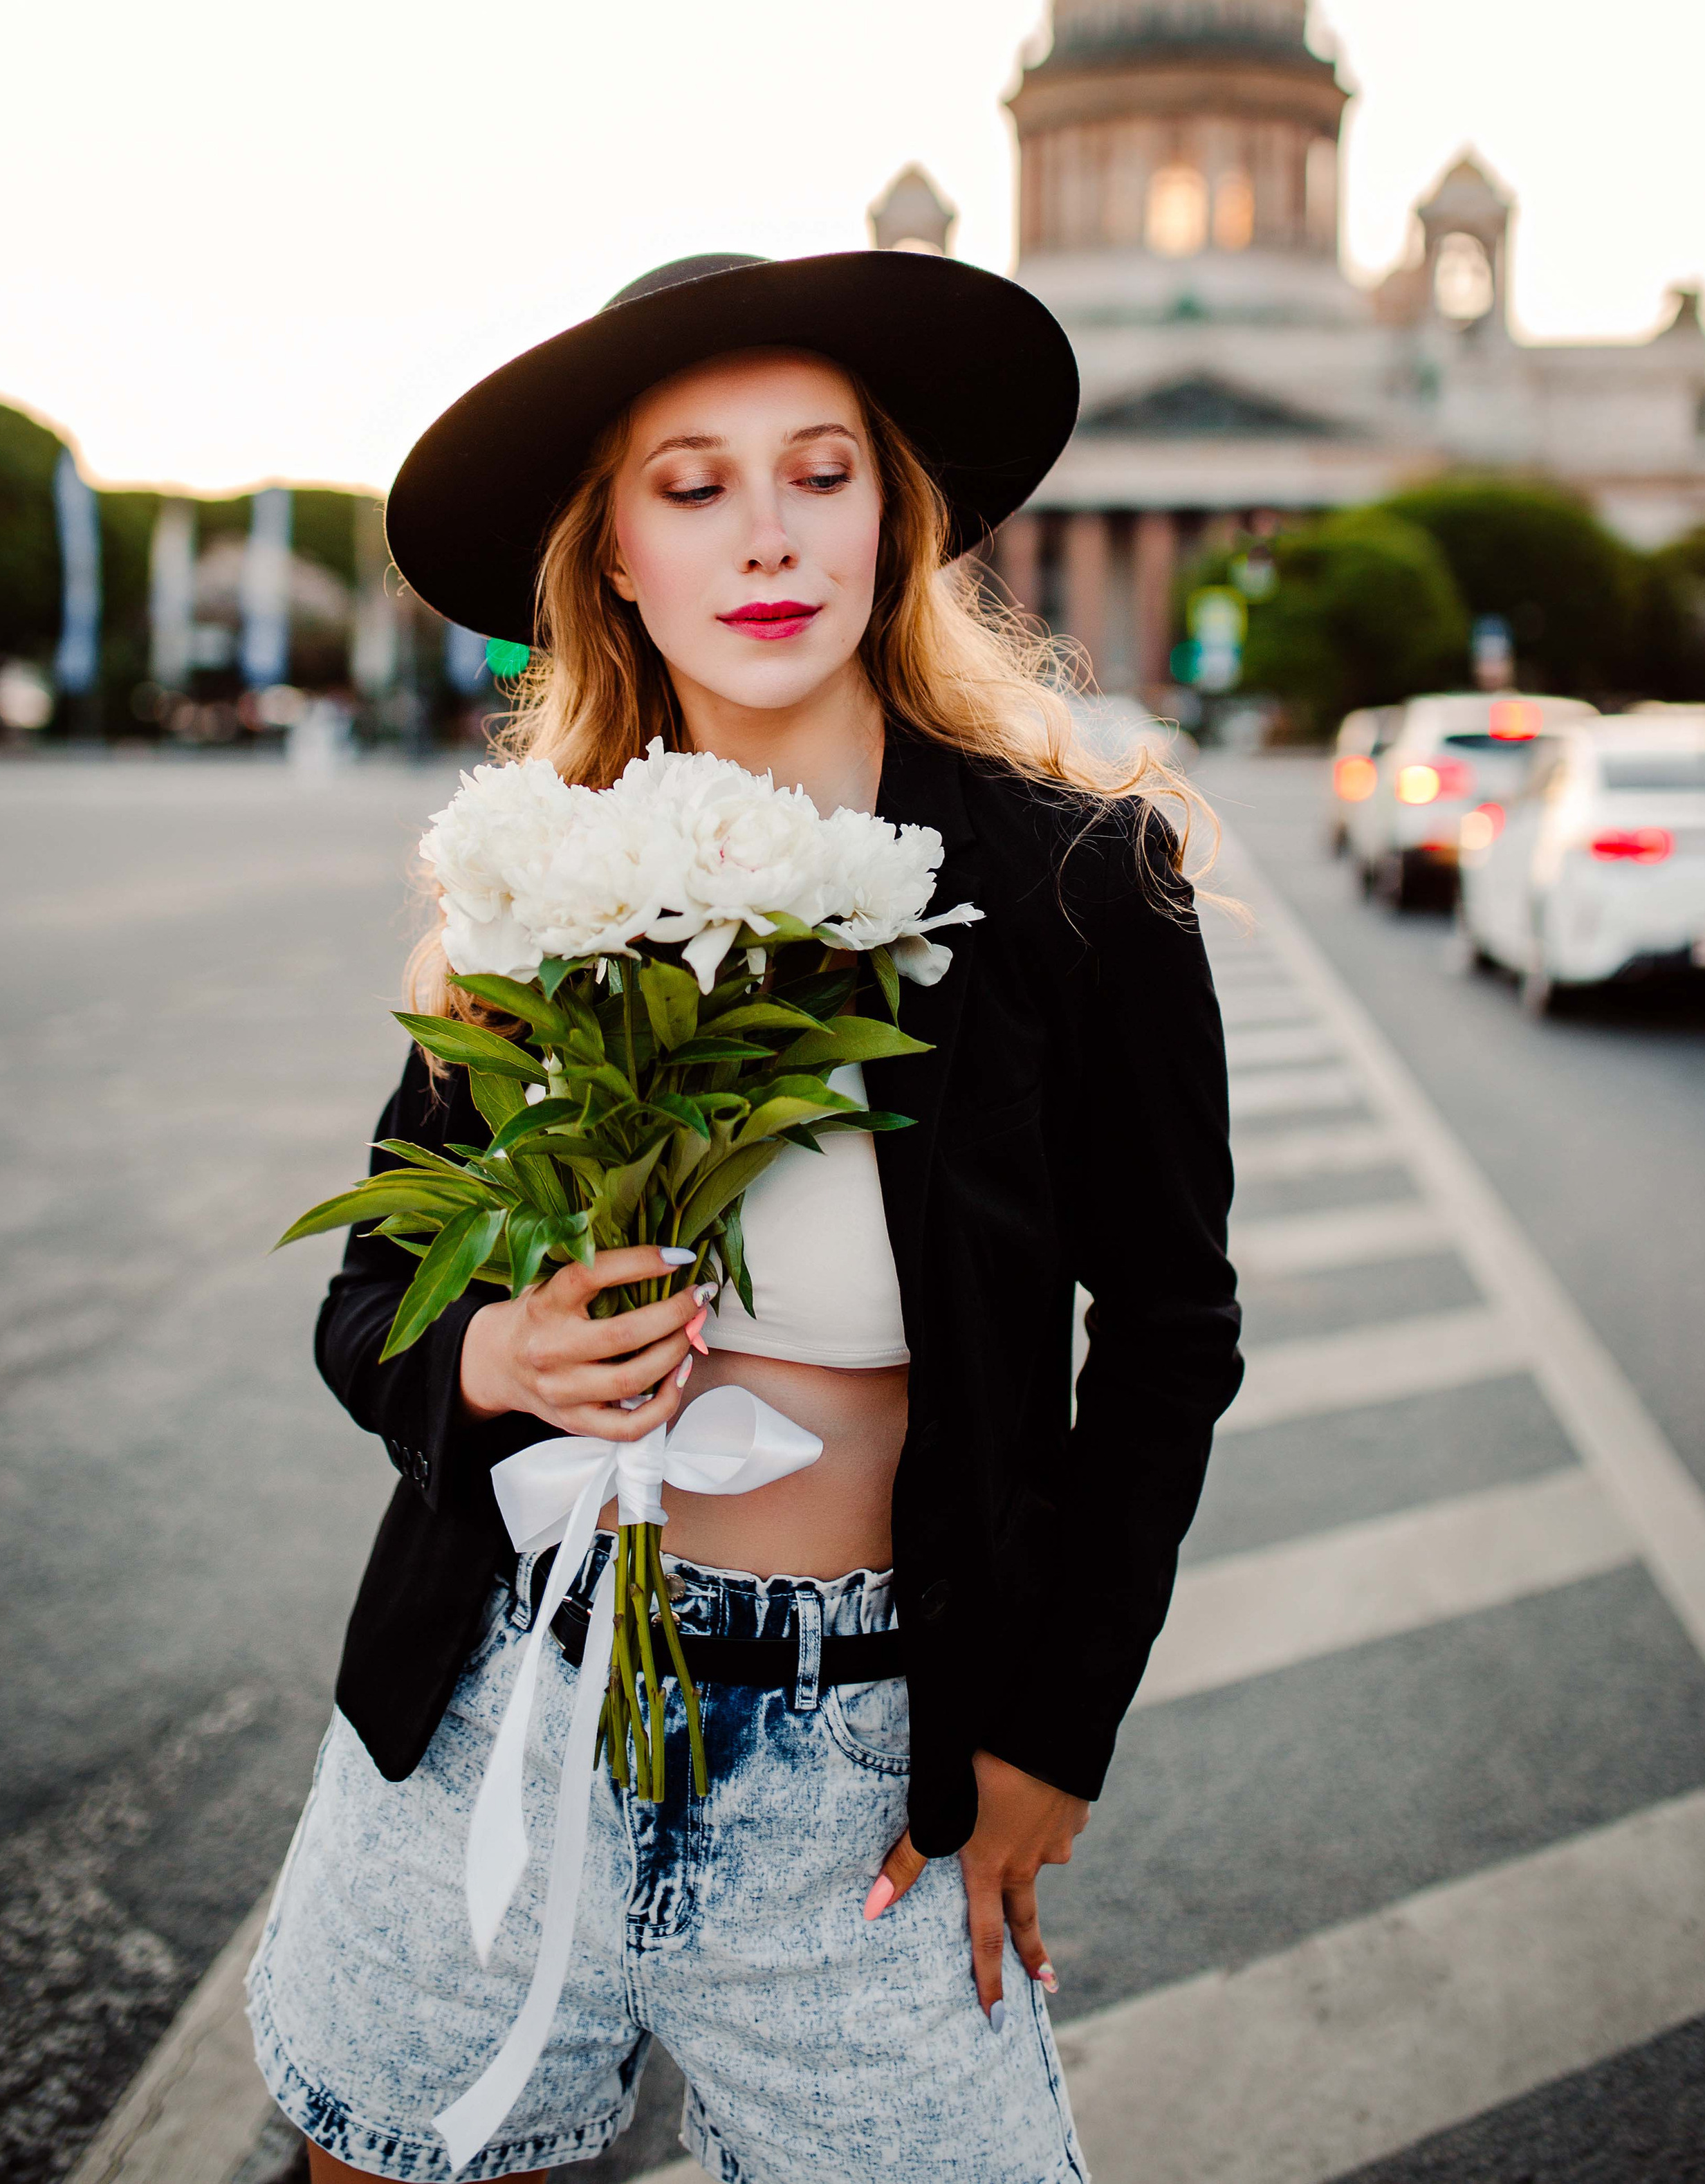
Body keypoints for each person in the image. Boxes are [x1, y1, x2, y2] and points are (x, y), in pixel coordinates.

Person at [246, 250, 1240, 2183]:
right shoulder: (530, 882)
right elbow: (373, 1298)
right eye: (695, 487)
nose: (768, 539)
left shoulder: (1080, 887)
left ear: (900, 514)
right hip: (495, 1709)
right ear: (614, 551)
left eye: (824, 473)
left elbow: (1173, 1345)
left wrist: (1056, 1735)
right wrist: (498, 1352)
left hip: (861, 1780)